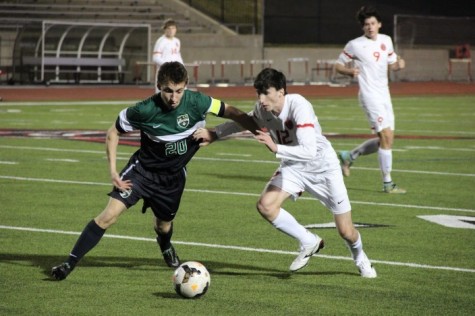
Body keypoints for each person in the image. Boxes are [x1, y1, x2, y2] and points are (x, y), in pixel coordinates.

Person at [51, 62, 257, 280]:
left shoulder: (199, 102)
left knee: (163, 226)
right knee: (108, 217)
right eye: (168, 90)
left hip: (172, 180)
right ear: (159, 86)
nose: (173, 98)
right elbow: (113, 133)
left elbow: (233, 112)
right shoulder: (144, 109)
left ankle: (166, 246)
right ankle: (68, 264)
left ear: (186, 86)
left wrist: (242, 130)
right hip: (140, 173)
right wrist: (112, 170)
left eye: (179, 91)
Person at [193, 68, 377, 278]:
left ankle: (361, 258)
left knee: (346, 231)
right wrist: (215, 133)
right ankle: (309, 240)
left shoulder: (299, 105)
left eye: (267, 93)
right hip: (294, 166)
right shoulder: (263, 109)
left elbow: (308, 151)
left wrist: (275, 147)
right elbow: (245, 121)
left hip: (323, 167)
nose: (262, 99)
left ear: (281, 92)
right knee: (266, 206)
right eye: (259, 93)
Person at [334, 5, 406, 194]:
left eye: (373, 23)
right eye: (366, 24)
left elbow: (392, 64)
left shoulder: (386, 40)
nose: (370, 27)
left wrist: (399, 64)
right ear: (363, 27)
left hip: (384, 94)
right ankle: (387, 183)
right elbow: (338, 65)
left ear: (379, 24)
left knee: (386, 139)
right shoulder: (354, 44)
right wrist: (350, 71)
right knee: (385, 137)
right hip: (369, 95)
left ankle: (349, 156)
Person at [152, 19, 184, 93]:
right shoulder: (161, 41)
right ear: (165, 29)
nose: (171, 30)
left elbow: (177, 55)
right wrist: (169, 66)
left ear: (176, 29)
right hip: (164, 73)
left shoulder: (177, 41)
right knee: (163, 96)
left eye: (173, 28)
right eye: (168, 28)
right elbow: (155, 58)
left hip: (176, 73)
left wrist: (182, 67)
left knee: (178, 96)